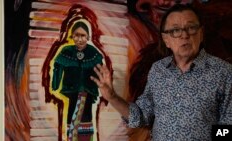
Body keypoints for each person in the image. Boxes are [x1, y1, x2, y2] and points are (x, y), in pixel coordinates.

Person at [90, 4, 232, 140]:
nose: (184, 35)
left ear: (200, 34)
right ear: (166, 40)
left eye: (191, 28)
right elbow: (140, 117)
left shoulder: (223, 72)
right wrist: (112, 96)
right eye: (175, 30)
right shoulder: (158, 70)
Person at [51, 21, 103, 140]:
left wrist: (101, 87)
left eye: (83, 35)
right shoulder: (66, 51)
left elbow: (101, 72)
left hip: (88, 92)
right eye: (77, 35)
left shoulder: (93, 53)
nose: (80, 39)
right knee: (72, 118)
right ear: (72, 36)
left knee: (86, 119)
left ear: (88, 37)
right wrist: (55, 84)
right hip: (72, 91)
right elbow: (57, 66)